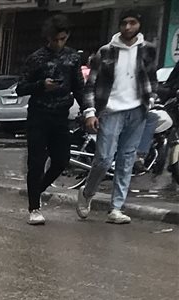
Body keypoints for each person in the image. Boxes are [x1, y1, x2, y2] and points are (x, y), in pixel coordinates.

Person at [76, 9, 161, 223]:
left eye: (133, 23)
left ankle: (116, 208)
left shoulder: (148, 50)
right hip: (110, 110)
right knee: (104, 159)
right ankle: (87, 192)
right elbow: (91, 85)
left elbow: (152, 79)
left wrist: (150, 100)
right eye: (124, 23)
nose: (128, 27)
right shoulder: (106, 51)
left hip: (137, 110)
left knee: (127, 159)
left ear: (139, 25)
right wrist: (90, 112)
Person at [17, 14, 91, 224]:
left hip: (61, 116)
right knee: (36, 162)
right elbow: (21, 88)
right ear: (48, 37)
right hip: (39, 116)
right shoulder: (36, 58)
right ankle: (34, 207)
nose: (58, 43)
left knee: (61, 160)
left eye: (63, 39)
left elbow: (79, 88)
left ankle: (37, 190)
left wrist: (88, 111)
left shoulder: (73, 58)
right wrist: (41, 85)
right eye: (55, 39)